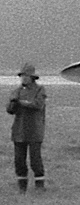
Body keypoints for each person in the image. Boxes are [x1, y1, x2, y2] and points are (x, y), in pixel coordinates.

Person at [7, 63, 47, 192]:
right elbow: (10, 111)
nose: (23, 79)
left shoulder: (40, 89)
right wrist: (12, 104)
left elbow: (37, 105)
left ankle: (39, 186)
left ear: (32, 77)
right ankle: (22, 187)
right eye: (22, 76)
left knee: (35, 160)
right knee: (19, 161)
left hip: (35, 131)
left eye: (26, 76)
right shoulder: (17, 91)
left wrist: (21, 102)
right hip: (19, 131)